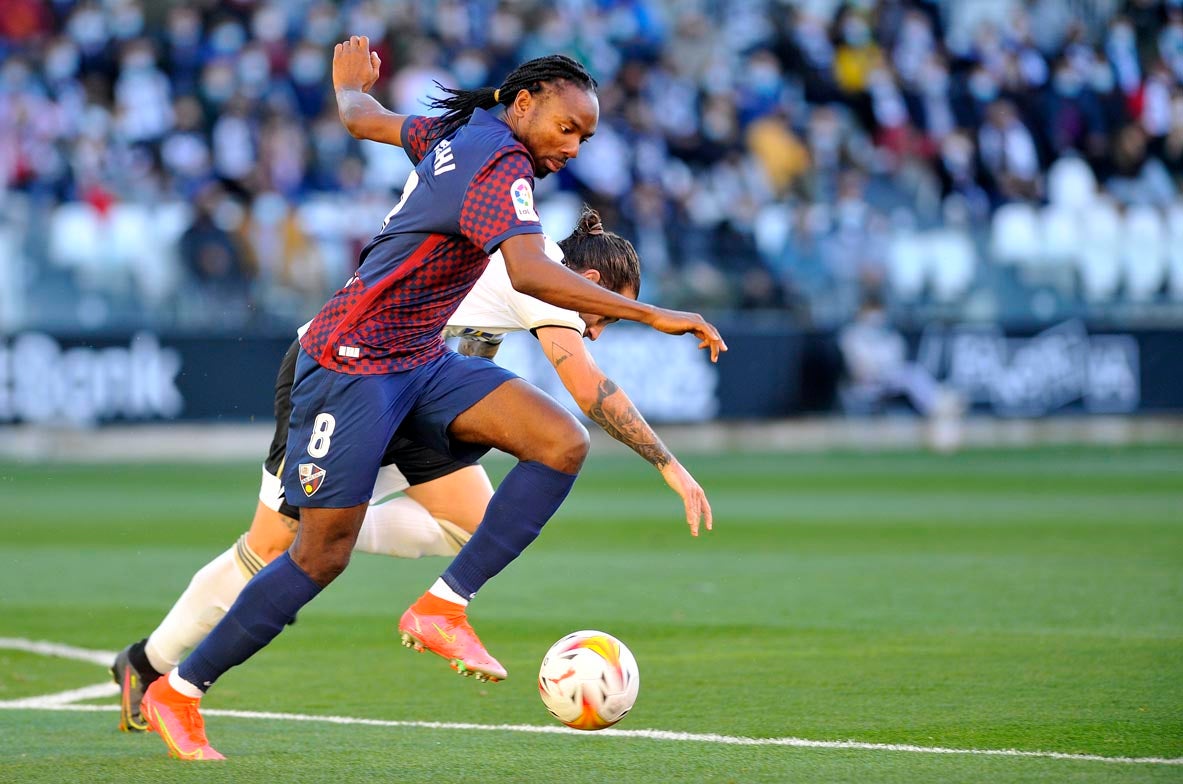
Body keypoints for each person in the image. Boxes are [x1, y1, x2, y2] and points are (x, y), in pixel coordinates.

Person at [140, 37, 726, 761]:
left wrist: (348, 88)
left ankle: (441, 606)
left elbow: (366, 120)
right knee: (315, 555)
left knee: (559, 441)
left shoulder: (459, 134)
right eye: (566, 128)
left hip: (416, 358)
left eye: (586, 136)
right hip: (346, 363)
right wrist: (655, 315)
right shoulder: (498, 164)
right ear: (523, 104)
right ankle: (177, 688)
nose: (574, 147)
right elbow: (532, 272)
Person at [111, 209, 711, 732]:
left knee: (477, 524)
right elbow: (588, 388)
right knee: (267, 546)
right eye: (608, 315)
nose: (597, 329)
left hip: (400, 401)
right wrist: (671, 466)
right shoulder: (541, 273)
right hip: (333, 379)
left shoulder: (514, 275)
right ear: (594, 284)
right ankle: (145, 665)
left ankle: (333, 533)